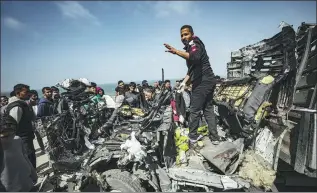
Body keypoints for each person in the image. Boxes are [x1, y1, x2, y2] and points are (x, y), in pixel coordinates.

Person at [164, 24, 220, 143]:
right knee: (208, 109)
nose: (183, 37)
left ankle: (193, 136)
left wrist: (176, 51)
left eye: (186, 34)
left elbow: (194, 58)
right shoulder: (190, 47)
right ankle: (215, 138)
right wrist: (184, 83)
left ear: (192, 34)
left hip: (203, 81)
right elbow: (192, 70)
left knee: (194, 109)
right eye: (181, 35)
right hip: (208, 80)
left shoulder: (194, 43)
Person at [0, 113, 38, 192]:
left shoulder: (17, 140)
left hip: (27, 184)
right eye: (3, 135)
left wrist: (34, 174)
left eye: (10, 134)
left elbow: (25, 158)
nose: (8, 139)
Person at [5, 84, 37, 168]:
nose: (29, 94)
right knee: (28, 157)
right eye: (26, 92)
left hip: (26, 137)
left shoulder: (23, 104)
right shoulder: (16, 107)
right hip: (22, 138)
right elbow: (12, 126)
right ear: (18, 93)